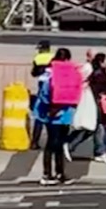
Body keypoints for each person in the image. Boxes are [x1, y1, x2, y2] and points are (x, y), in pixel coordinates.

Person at [35, 46, 82, 184]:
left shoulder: (48, 74)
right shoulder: (72, 73)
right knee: (58, 144)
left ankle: (49, 174)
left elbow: (43, 94)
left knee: (52, 143)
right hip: (64, 113)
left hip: (51, 113)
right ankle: (58, 173)